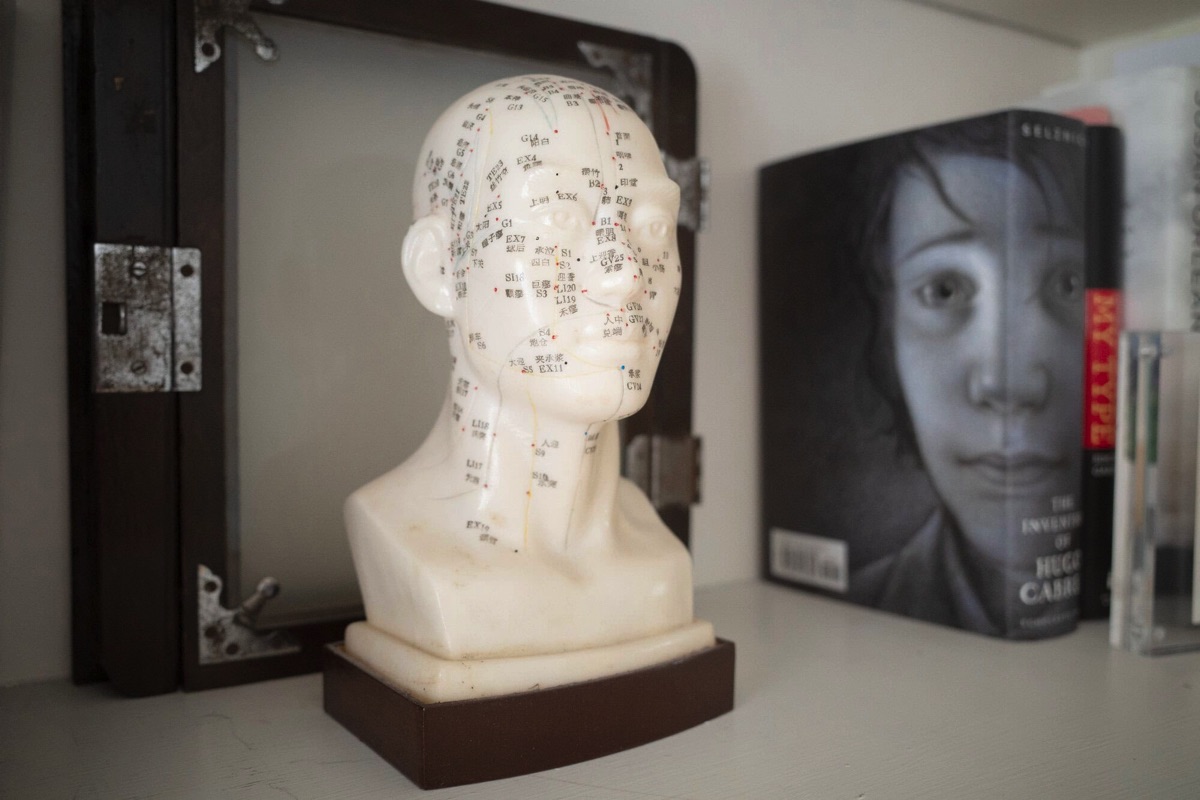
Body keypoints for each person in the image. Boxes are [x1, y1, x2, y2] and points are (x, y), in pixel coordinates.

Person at [341, 75, 713, 701]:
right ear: (438, 269)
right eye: (560, 216)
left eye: (652, 226)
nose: (624, 274)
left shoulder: (662, 560)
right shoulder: (402, 540)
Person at [849, 115, 1085, 635]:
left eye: (1070, 283)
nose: (1010, 385)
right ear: (889, 338)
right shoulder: (855, 607)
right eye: (944, 289)